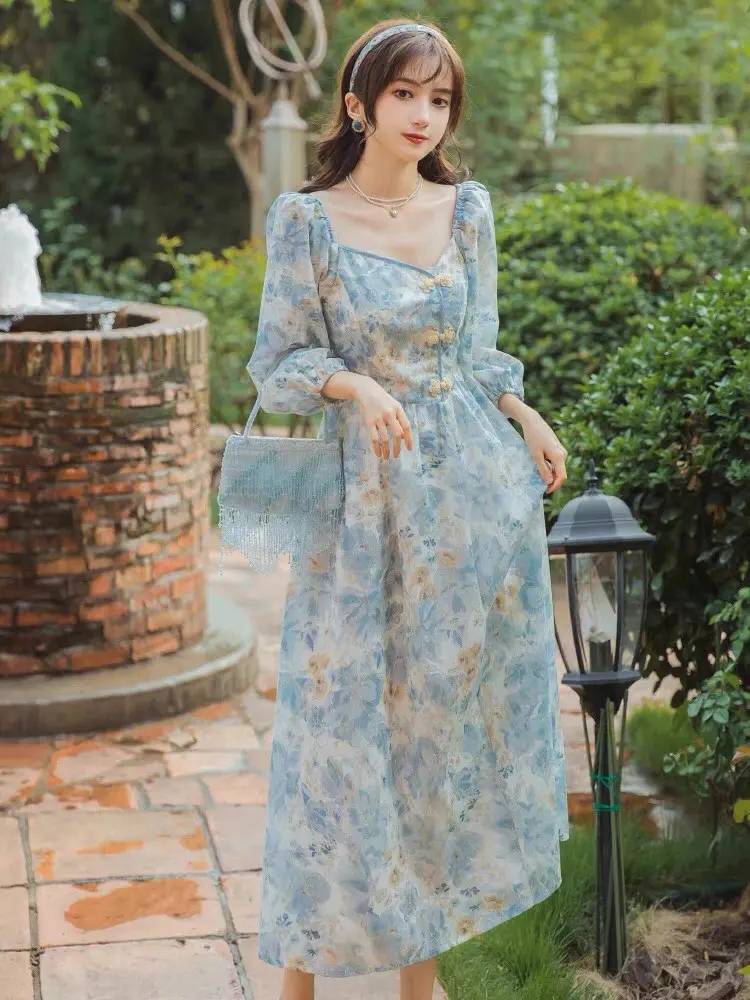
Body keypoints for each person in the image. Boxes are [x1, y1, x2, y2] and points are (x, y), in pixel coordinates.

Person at [246, 18, 571, 1000]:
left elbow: (477, 350)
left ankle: (417, 987)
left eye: (440, 98)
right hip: (360, 511)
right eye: (405, 94)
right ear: (359, 103)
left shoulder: (465, 210)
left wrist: (523, 412)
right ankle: (298, 980)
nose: (425, 114)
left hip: (468, 502)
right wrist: (356, 385)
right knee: (335, 728)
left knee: (435, 729)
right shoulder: (307, 221)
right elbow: (279, 362)